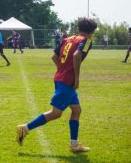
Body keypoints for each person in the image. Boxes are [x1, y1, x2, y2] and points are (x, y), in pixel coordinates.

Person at [16, 18, 97, 153]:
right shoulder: (87, 41)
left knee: (76, 110)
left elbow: (54, 56)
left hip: (60, 78)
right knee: (56, 113)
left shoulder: (68, 39)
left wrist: (62, 69)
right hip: (68, 82)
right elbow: (77, 56)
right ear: (91, 31)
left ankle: (74, 144)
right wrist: (76, 77)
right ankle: (25, 128)